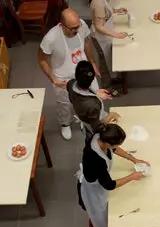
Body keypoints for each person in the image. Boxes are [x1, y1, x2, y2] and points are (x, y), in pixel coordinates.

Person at [77, 123, 149, 227]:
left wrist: (134, 160)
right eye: (117, 144)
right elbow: (109, 185)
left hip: (99, 181)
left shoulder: (100, 136)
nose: (118, 147)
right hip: (93, 189)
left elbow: (114, 149)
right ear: (107, 144)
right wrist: (132, 177)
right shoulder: (96, 159)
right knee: (97, 216)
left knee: (106, 210)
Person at [38, 8, 101, 141]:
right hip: (63, 77)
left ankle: (84, 120)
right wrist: (52, 78)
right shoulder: (51, 38)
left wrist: (93, 62)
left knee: (92, 97)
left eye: (77, 27)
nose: (76, 30)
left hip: (83, 72)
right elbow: (42, 59)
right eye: (72, 28)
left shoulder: (81, 25)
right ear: (62, 25)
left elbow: (87, 41)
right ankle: (65, 123)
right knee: (65, 103)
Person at [68, 61, 120, 142]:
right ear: (93, 78)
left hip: (85, 116)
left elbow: (76, 97)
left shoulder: (71, 84)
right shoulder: (92, 105)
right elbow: (98, 128)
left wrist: (95, 93)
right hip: (94, 124)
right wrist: (110, 115)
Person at [90, 0, 128, 92]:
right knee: (104, 65)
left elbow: (105, 13)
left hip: (106, 36)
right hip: (100, 38)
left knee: (109, 60)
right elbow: (99, 26)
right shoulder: (98, 3)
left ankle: (112, 79)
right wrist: (117, 35)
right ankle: (107, 89)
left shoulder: (104, 1)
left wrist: (116, 11)